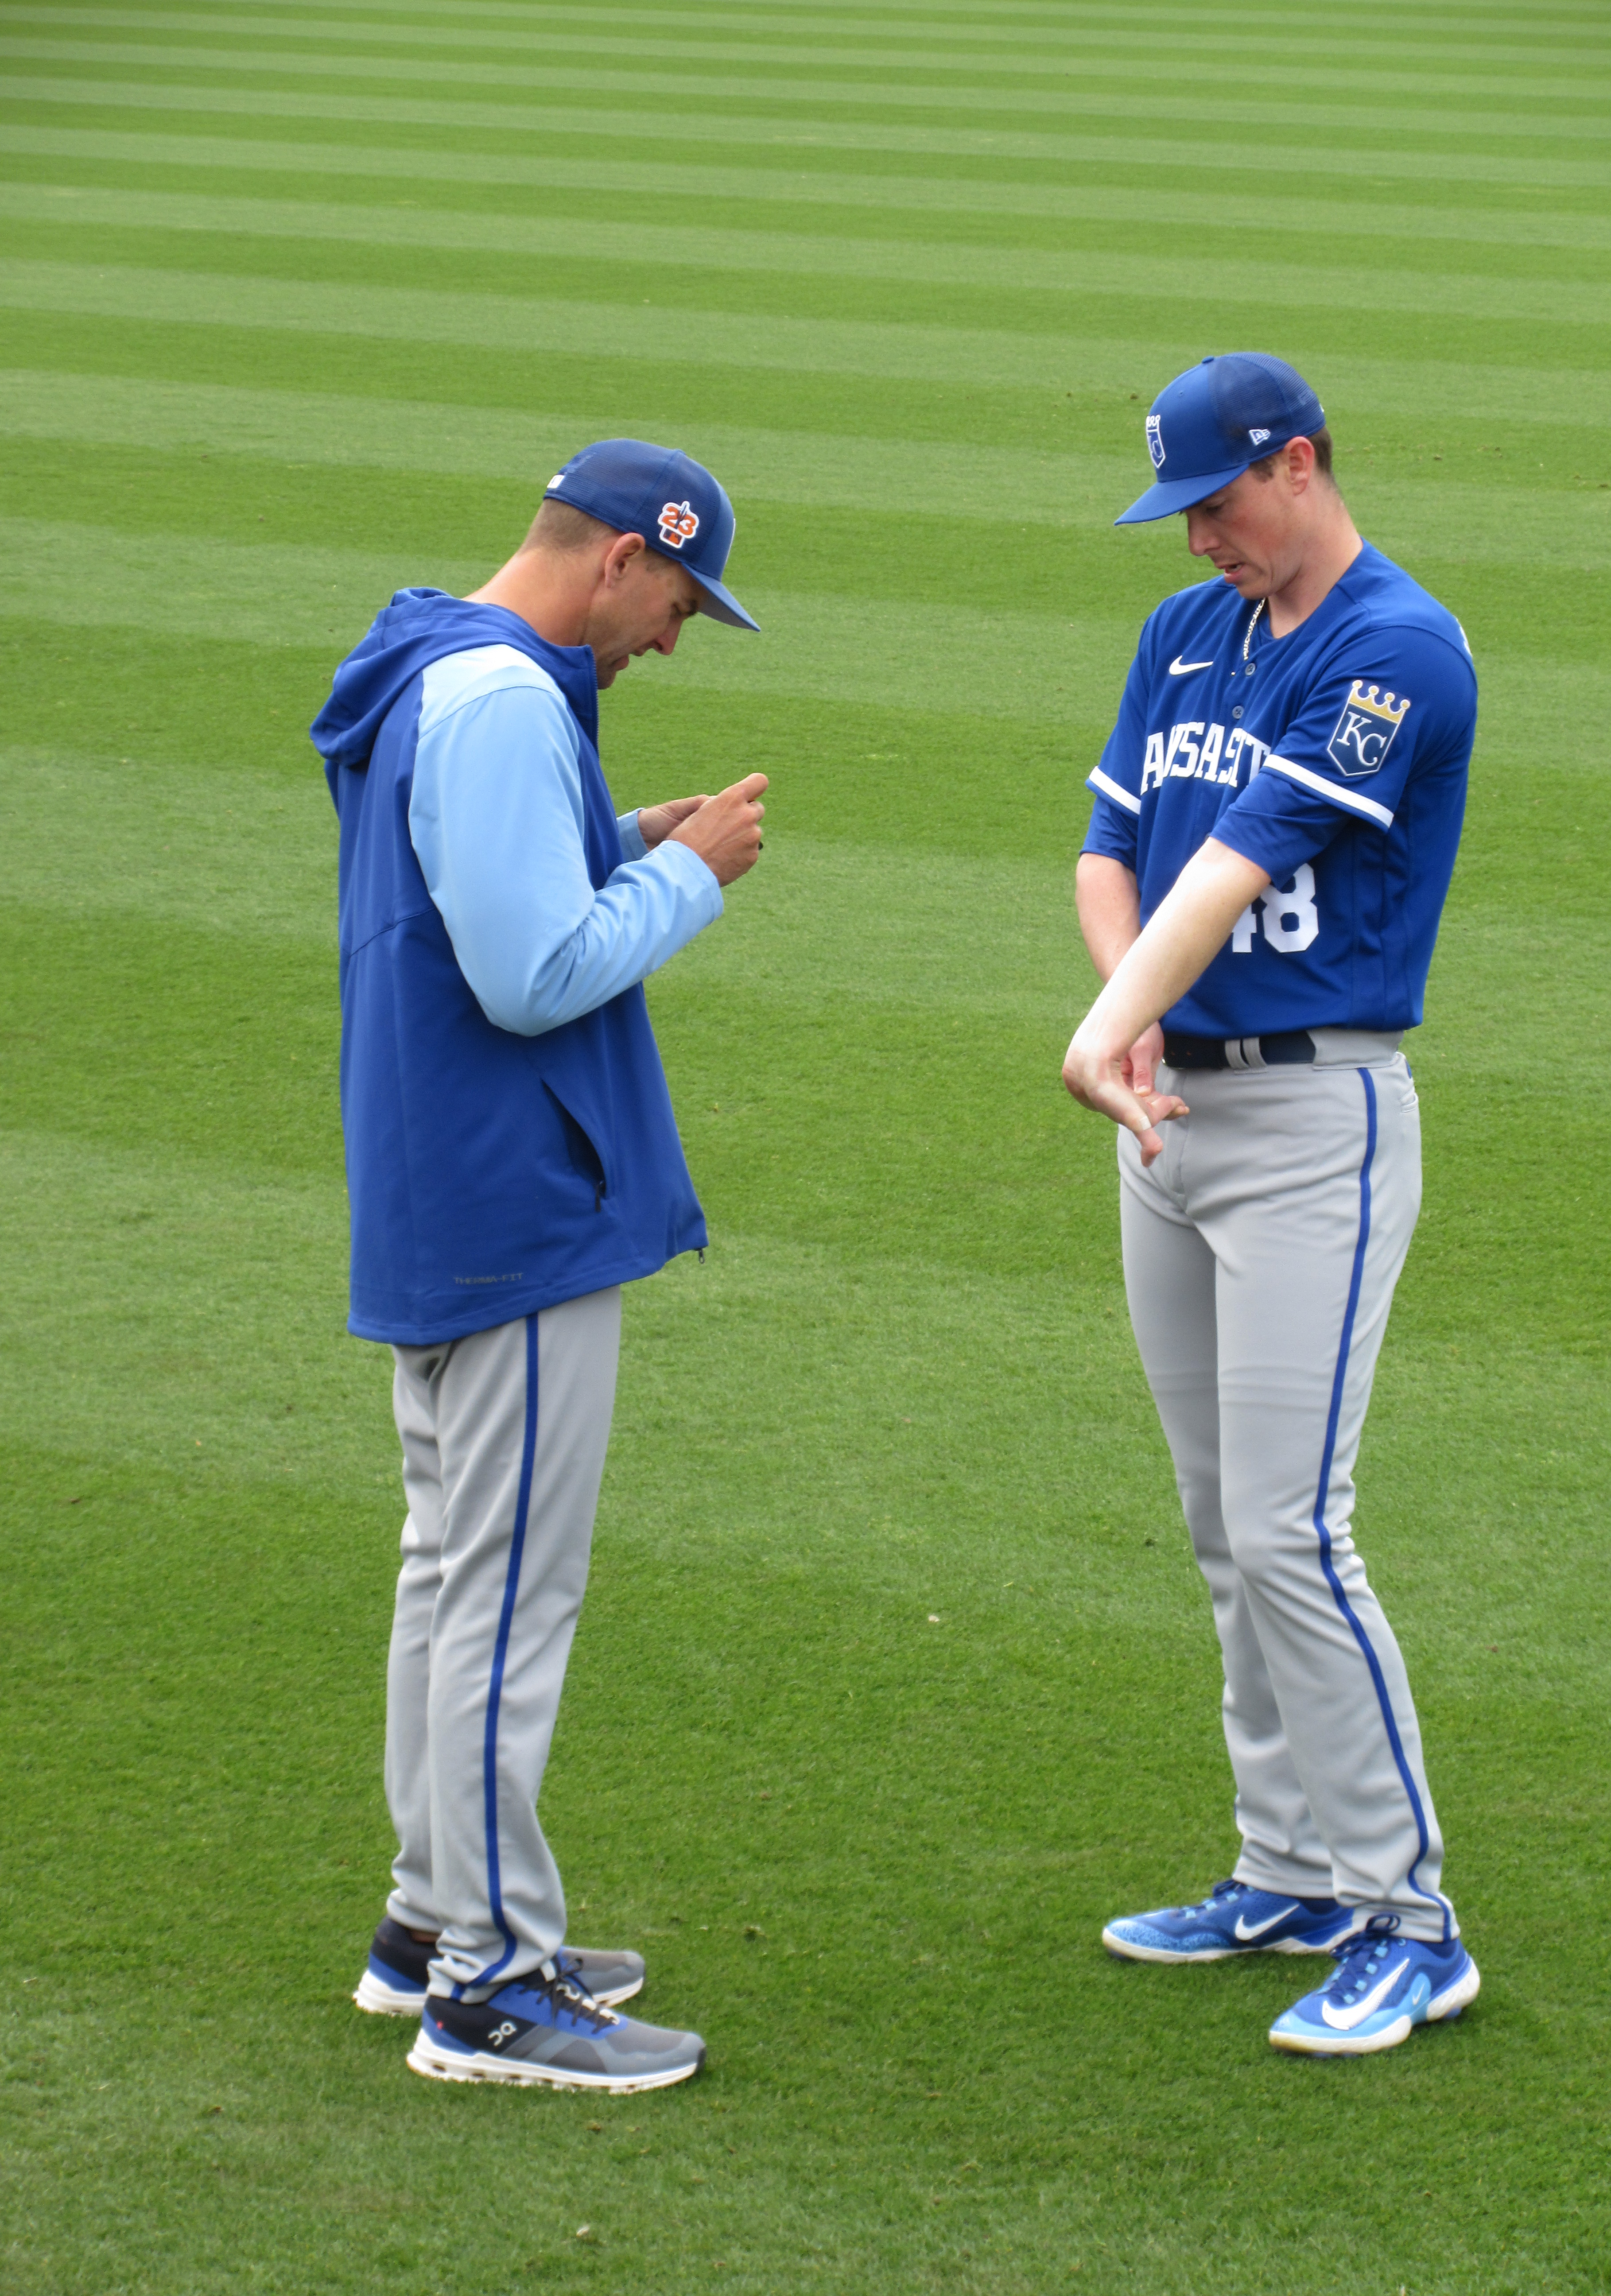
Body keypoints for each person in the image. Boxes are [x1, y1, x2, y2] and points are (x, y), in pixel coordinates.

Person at [309, 440, 767, 2093]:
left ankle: (431, 1921)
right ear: (618, 558)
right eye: (678, 604)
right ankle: (490, 1989)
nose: (671, 640)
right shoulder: (504, 698)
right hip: (516, 1198)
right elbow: (529, 976)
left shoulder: (433, 660)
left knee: (452, 1575)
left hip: (443, 1184)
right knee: (505, 1598)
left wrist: (623, 831)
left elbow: (464, 894)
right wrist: (685, 877)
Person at [1061, 355, 1479, 2057]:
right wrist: (1132, 1016)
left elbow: (1240, 860)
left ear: (1299, 464)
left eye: (1217, 504)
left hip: (1315, 1121)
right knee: (1223, 1521)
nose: (1197, 541)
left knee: (1296, 1526)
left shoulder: (1398, 649)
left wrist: (1103, 1026)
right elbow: (1114, 853)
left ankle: (1410, 1917)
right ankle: (1290, 1869)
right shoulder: (1186, 634)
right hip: (1170, 1115)